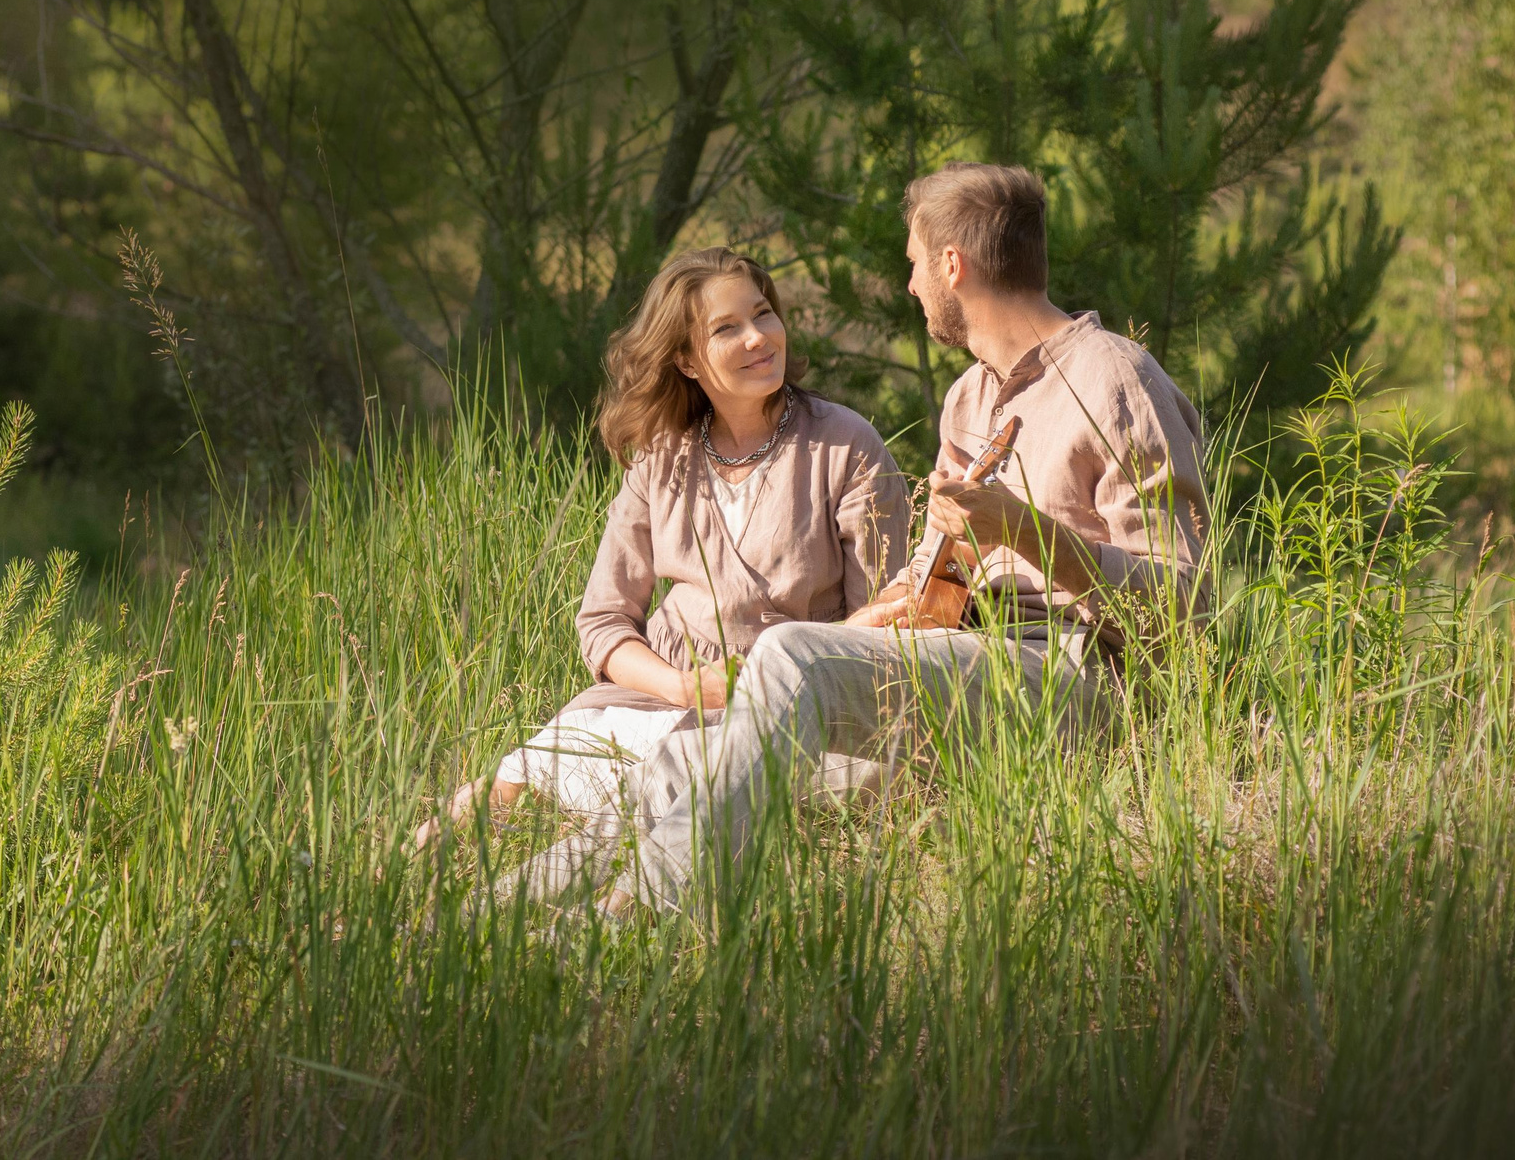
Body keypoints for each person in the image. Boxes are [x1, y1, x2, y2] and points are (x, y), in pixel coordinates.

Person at [595, 163, 1210, 916]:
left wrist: (1026, 531)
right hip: (968, 657)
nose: (912, 284)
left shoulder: (1117, 379)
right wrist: (885, 612)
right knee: (689, 752)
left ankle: (644, 913)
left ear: (952, 264)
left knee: (791, 650)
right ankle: (530, 916)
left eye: (915, 262)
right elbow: (930, 587)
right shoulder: (969, 397)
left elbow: (1187, 608)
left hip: (1075, 677)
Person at [416, 247, 910, 850]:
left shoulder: (845, 444)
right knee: (513, 780)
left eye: (763, 315)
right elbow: (603, 623)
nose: (759, 338)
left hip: (801, 704)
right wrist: (681, 687)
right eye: (727, 328)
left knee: (850, 776)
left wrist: (783, 675)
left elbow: (883, 624)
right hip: (659, 700)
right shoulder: (662, 458)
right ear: (686, 359)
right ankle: (404, 885)